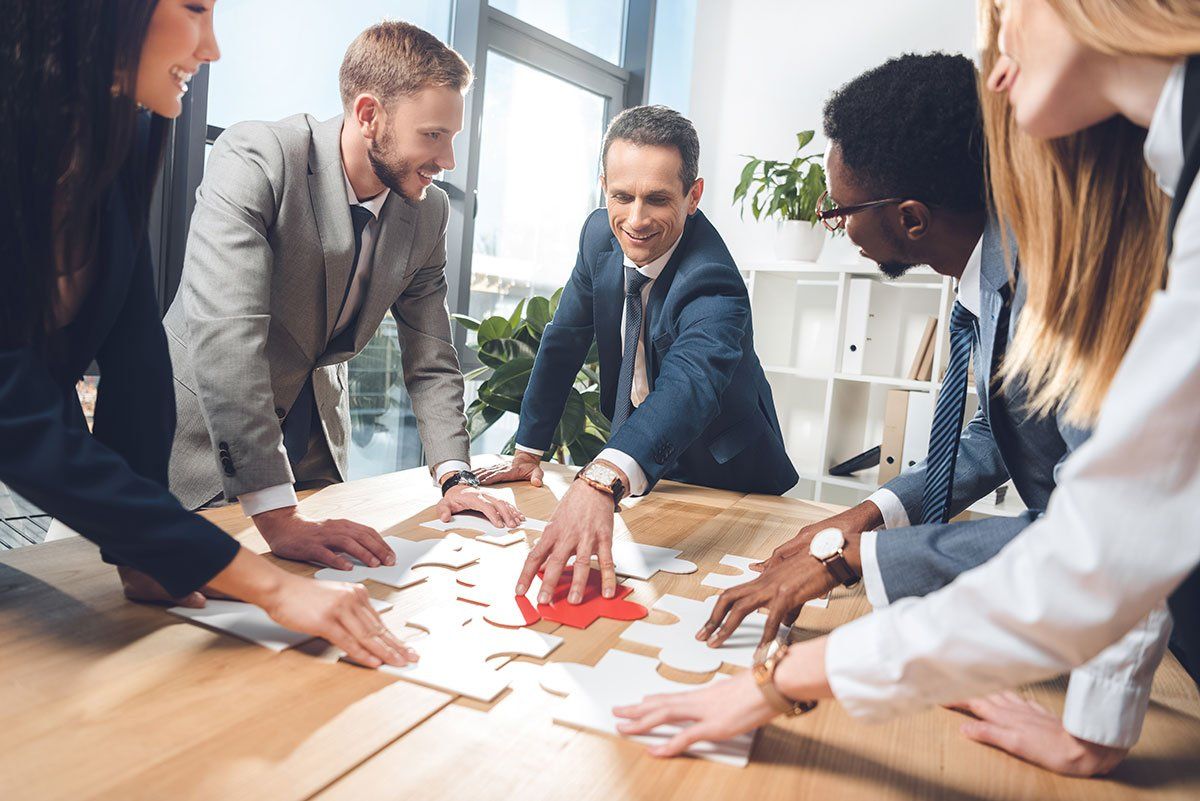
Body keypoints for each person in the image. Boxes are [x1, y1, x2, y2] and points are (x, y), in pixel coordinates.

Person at [614, 0, 1200, 769]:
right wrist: (871, 515)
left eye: (1006, 18)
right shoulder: (1080, 221)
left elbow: (1102, 534)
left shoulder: (1087, 253)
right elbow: (1016, 448)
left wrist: (796, 657)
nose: (996, 73)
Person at [0, 0, 413, 670]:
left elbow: (136, 361)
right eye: (193, 8)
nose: (212, 46)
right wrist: (265, 585)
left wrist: (145, 552)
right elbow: (13, 410)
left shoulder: (119, 143)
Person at [165, 20, 520, 572]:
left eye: (452, 137)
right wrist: (278, 517)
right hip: (196, 447)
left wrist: (455, 474)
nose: (448, 160)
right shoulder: (256, 157)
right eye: (432, 135)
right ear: (369, 114)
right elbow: (228, 338)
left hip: (313, 452)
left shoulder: (428, 213)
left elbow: (431, 358)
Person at [474, 106, 797, 607]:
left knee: (688, 606)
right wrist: (529, 450)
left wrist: (600, 478)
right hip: (641, 471)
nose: (636, 219)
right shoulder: (597, 235)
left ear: (694, 196)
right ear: (603, 186)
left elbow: (690, 386)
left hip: (728, 478)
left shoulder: (714, 279)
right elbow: (564, 340)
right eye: (621, 196)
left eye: (658, 199)